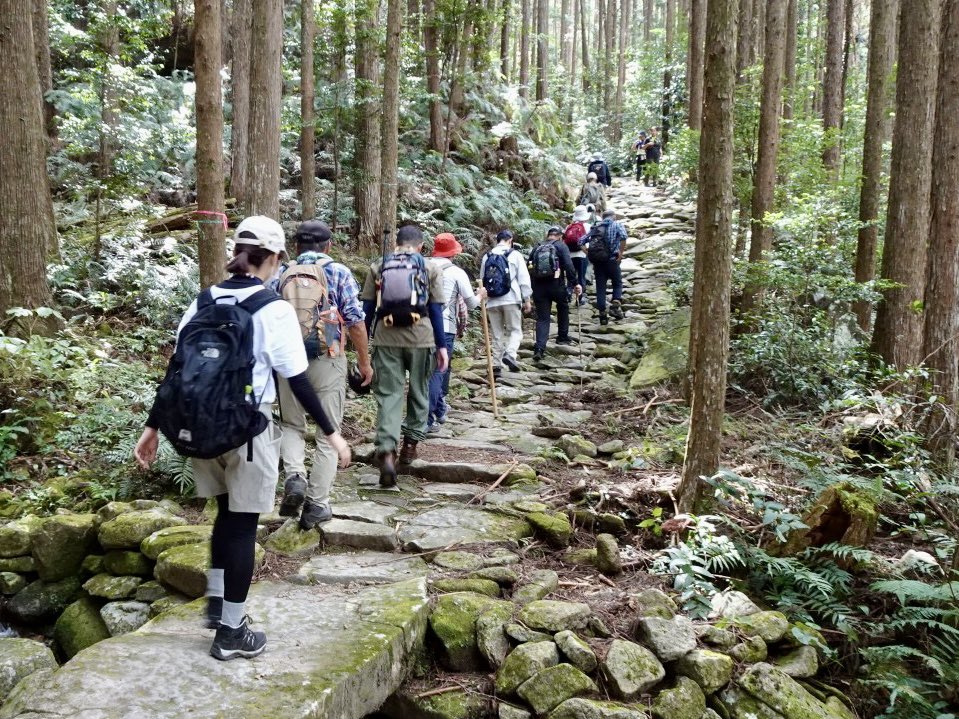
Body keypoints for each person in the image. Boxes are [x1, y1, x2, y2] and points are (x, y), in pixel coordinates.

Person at [134, 216, 351, 661]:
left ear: (237, 253)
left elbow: (176, 370)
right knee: (242, 525)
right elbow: (299, 381)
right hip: (249, 432)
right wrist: (332, 434)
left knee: (224, 517)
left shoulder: (202, 301)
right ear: (272, 258)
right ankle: (232, 632)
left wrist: (152, 427)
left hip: (200, 429)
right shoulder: (272, 309)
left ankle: (218, 606)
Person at [274, 220, 372, 530]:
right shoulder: (339, 272)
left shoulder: (281, 273)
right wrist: (365, 363)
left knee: (291, 424)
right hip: (328, 357)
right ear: (327, 246)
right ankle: (317, 504)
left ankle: (294, 477)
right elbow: (355, 322)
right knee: (328, 433)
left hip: (288, 360)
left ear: (296, 246)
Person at [361, 225, 448, 487]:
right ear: (421, 245)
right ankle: (410, 445)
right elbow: (435, 310)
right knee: (420, 390)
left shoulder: (379, 265)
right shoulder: (430, 267)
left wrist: (363, 347)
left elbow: (366, 310)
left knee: (389, 395)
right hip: (422, 339)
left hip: (386, 338)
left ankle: (387, 451)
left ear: (396, 243)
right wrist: (441, 346)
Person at [427, 232, 486, 431]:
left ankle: (439, 408)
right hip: (444, 326)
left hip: (417, 326)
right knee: (437, 371)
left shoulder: (421, 265)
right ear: (453, 253)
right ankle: (429, 417)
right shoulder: (456, 272)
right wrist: (481, 295)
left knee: (422, 373)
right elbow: (471, 304)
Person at [480, 230, 532, 376]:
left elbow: (482, 279)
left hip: (492, 300)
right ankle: (510, 354)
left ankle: (496, 365)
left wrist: (483, 299)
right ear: (510, 240)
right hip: (511, 298)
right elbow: (523, 278)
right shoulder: (514, 254)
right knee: (515, 330)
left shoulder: (487, 256)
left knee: (497, 334)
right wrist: (527, 299)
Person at [529, 226, 582, 362]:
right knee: (563, 306)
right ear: (560, 236)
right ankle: (562, 337)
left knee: (543, 318)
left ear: (548, 235)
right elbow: (569, 266)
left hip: (539, 287)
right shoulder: (561, 246)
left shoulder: (537, 247)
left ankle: (539, 348)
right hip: (556, 285)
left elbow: (529, 266)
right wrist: (575, 283)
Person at [587, 209, 628, 325]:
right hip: (612, 260)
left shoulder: (595, 226)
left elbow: (581, 241)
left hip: (598, 262)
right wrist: (620, 253)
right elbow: (624, 237)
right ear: (614, 216)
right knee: (617, 282)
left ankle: (602, 314)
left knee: (600, 287)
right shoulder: (617, 225)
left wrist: (589, 254)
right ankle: (615, 304)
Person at [564, 205, 592, 305]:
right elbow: (588, 242)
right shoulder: (587, 226)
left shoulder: (569, 227)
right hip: (582, 255)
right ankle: (579, 298)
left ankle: (568, 294)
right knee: (581, 277)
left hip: (570, 256)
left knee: (571, 277)